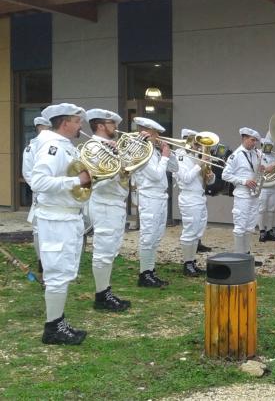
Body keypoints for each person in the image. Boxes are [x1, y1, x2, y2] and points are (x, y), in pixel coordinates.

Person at [32, 103, 91, 344]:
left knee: (64, 272)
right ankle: (53, 328)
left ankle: (57, 320)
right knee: (56, 273)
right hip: (56, 219)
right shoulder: (52, 147)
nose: (80, 126)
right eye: (77, 121)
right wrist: (76, 180)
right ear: (65, 123)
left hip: (66, 217)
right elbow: (39, 182)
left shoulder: (65, 147)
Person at [85, 109, 131, 311]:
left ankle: (106, 290)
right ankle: (101, 296)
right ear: (101, 125)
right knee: (103, 250)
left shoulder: (110, 146)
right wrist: (113, 163)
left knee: (112, 249)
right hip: (103, 202)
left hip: (116, 202)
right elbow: (94, 180)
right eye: (112, 124)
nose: (116, 128)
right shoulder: (93, 148)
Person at [131, 116, 179, 287]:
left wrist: (169, 154)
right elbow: (157, 175)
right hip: (149, 195)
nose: (158, 135)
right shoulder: (139, 151)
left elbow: (175, 168)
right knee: (148, 236)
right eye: (155, 132)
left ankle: (150, 271)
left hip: (160, 196)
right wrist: (164, 157)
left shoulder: (154, 149)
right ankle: (144, 274)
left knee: (156, 236)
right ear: (144, 131)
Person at [174, 128, 215, 276]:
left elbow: (205, 178)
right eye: (196, 143)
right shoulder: (179, 156)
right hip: (189, 197)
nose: (198, 146)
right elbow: (185, 178)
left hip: (200, 196)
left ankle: (192, 261)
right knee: (189, 232)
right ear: (187, 141)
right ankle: (187, 264)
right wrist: (200, 164)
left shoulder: (197, 155)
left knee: (197, 232)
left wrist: (210, 177)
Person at [222, 127, 263, 257]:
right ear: (244, 138)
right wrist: (244, 181)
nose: (254, 143)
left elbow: (255, 171)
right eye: (252, 140)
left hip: (254, 194)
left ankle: (246, 255)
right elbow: (225, 175)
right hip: (242, 195)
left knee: (250, 226)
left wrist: (262, 169)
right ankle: (239, 256)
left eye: (256, 141)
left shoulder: (255, 153)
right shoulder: (236, 155)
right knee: (240, 226)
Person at [22, 115, 52, 283]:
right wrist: (41, 188)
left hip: (55, 194)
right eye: (44, 128)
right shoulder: (31, 147)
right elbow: (28, 173)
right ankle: (42, 263)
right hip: (40, 193)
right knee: (38, 230)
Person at [257, 137, 275, 243]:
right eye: (266, 146)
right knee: (261, 209)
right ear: (262, 145)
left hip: (273, 186)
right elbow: (256, 169)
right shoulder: (257, 154)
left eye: (270, 146)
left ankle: (270, 230)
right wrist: (268, 169)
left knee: (272, 209)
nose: (269, 148)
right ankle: (262, 230)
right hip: (263, 186)